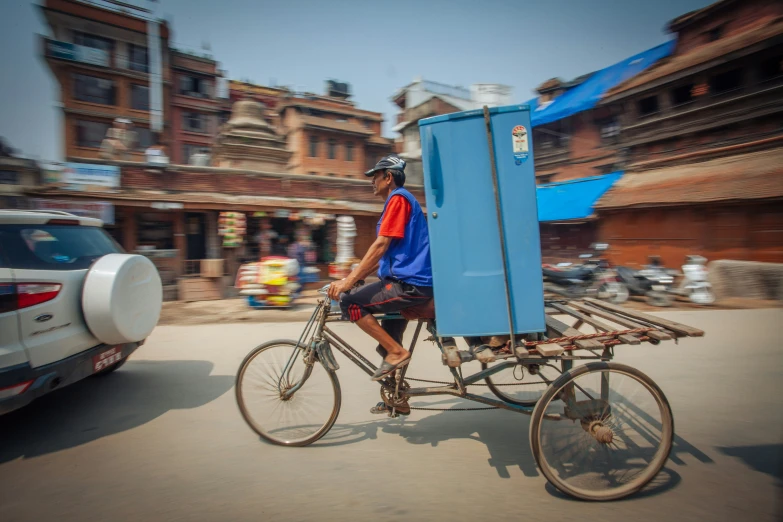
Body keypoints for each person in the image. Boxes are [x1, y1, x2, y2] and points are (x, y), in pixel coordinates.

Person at [328, 155, 434, 388]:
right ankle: (396, 396)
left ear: (388, 177)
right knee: (386, 341)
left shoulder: (398, 199)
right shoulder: (397, 202)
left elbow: (380, 245)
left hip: (409, 284)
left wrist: (349, 282)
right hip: (405, 281)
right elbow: (385, 254)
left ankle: (397, 352)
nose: (372, 181)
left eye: (375, 176)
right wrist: (358, 277)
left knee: (350, 303)